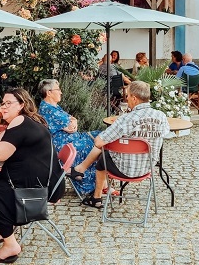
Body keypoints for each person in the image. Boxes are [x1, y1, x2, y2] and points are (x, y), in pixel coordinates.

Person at [0, 88, 64, 263]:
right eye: (2, 103)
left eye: (9, 103)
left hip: (41, 187)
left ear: (22, 105)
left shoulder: (20, 120)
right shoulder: (22, 121)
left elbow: (0, 154)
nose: (4, 107)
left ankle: (10, 245)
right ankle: (7, 225)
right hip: (43, 180)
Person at [69, 81, 169, 209]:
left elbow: (99, 142)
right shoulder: (161, 116)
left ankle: (96, 197)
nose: (126, 99)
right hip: (147, 167)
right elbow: (164, 133)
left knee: (103, 159)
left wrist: (119, 131)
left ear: (134, 98)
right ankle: (89, 178)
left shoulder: (126, 119)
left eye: (127, 96)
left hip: (124, 169)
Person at [38, 79, 101, 195]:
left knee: (101, 136)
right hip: (63, 144)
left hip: (72, 138)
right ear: (49, 93)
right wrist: (71, 123)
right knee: (96, 145)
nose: (61, 92)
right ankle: (89, 182)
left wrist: (73, 121)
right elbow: (69, 124)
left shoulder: (54, 107)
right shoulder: (47, 109)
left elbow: (72, 120)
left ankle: (98, 182)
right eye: (58, 89)